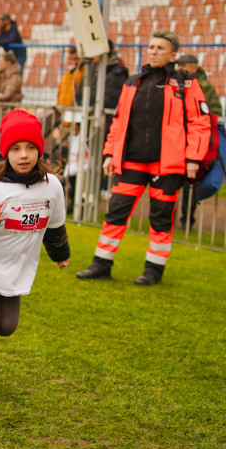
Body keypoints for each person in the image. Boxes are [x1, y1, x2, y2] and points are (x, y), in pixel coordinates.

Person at [76, 31, 211, 285]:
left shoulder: (186, 84)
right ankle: (101, 264)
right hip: (131, 162)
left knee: (160, 219)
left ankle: (153, 271)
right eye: (151, 46)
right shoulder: (132, 82)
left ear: (173, 55)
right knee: (115, 213)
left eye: (160, 48)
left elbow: (200, 123)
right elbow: (118, 121)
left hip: (168, 165)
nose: (154, 51)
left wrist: (193, 158)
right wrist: (109, 153)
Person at [0, 110, 70, 403]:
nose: (24, 155)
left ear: (40, 150)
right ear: (6, 152)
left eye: (30, 147)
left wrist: (60, 254)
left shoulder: (51, 186)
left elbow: (54, 225)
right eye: (16, 148)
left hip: (16, 266)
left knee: (7, 327)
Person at [170, 53, 222, 227]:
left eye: (183, 65)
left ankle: (187, 221)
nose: (180, 69)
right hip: (178, 139)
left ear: (193, 67)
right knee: (171, 183)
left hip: (196, 141)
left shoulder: (204, 86)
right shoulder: (175, 82)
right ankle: (168, 220)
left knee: (190, 184)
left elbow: (214, 114)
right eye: (179, 65)